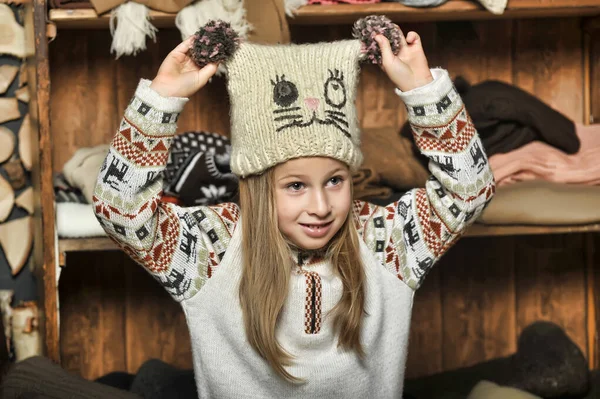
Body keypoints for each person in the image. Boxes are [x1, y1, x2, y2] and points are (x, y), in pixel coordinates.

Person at [93, 16, 495, 398]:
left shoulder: (385, 241)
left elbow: (469, 191)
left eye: (335, 180)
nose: (320, 206)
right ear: (260, 186)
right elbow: (120, 211)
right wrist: (163, 98)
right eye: (296, 186)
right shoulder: (213, 248)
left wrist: (424, 89)